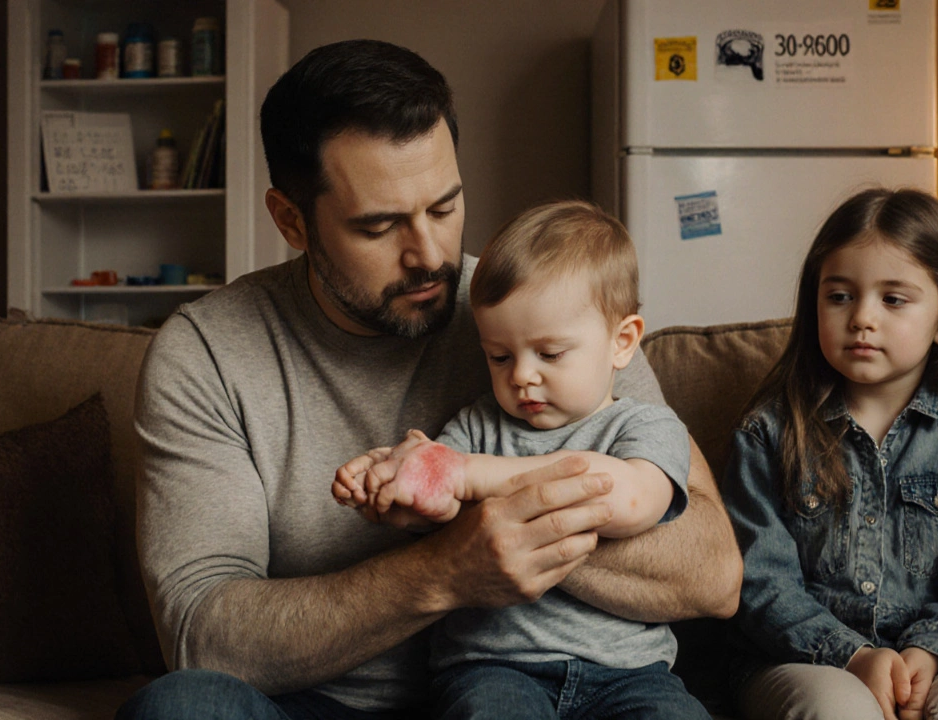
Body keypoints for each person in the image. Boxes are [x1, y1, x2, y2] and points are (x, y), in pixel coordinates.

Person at [118, 39, 741, 720]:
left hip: (534, 694)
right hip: (324, 706)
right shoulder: (208, 354)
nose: (429, 255)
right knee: (183, 707)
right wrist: (442, 571)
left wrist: (485, 509)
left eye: (444, 207)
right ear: (292, 220)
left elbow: (712, 574)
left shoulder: (537, 316)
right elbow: (201, 633)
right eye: (380, 226)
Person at [333, 200, 712, 718]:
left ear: (622, 342)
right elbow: (442, 510)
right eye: (500, 356)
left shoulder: (645, 426)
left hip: (628, 674)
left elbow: (625, 499)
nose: (522, 376)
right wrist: (396, 483)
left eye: (550, 354)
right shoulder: (476, 427)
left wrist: (466, 474)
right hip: (493, 666)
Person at [721, 188, 938, 720]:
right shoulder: (768, 432)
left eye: (893, 299)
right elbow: (759, 581)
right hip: (802, 659)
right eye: (839, 296)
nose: (862, 317)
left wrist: (929, 650)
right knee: (839, 711)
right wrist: (852, 655)